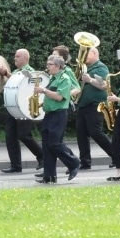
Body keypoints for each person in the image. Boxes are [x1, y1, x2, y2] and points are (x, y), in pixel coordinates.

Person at [34, 55, 80, 184]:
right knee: (47, 146)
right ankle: (49, 176)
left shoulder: (64, 79)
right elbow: (51, 97)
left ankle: (74, 162)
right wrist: (41, 104)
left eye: (50, 65)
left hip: (59, 114)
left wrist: (43, 90)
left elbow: (60, 97)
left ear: (58, 66)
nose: (47, 67)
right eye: (47, 64)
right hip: (49, 114)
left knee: (55, 143)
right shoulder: (53, 78)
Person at [0, 49, 44, 173]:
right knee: (10, 137)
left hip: (25, 107)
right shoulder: (15, 71)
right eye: (15, 56)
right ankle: (15, 165)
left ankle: (42, 156)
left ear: (25, 58)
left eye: (17, 56)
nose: (15, 58)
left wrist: (6, 74)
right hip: (12, 107)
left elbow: (23, 84)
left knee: (24, 135)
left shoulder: (30, 72)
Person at [75, 47, 114, 169]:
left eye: (86, 54)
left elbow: (104, 85)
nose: (83, 56)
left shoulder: (101, 67)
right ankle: (85, 161)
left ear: (94, 53)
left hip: (95, 105)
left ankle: (116, 155)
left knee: (95, 132)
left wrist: (90, 79)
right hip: (83, 105)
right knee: (81, 133)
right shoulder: (86, 67)